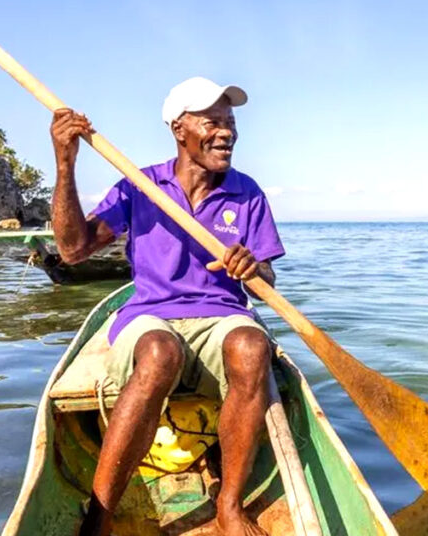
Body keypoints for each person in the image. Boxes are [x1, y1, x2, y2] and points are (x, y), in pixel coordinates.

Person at [50, 77, 284, 536]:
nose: (227, 133)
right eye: (213, 122)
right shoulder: (141, 186)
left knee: (253, 348)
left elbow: (267, 287)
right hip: (151, 314)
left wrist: (252, 267)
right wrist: (65, 165)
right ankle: (100, 512)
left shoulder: (247, 192)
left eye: (231, 123)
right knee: (159, 353)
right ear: (180, 129)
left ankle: (230, 505)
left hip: (222, 314)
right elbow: (73, 249)